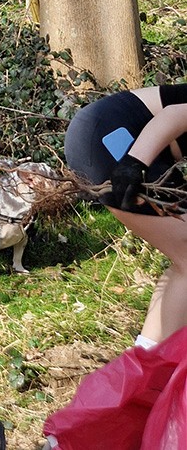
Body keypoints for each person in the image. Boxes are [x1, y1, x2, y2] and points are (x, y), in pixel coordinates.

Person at [65, 84, 187, 347]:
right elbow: (175, 115)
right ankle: (150, 371)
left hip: (119, 138)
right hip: (111, 135)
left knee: (184, 257)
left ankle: (147, 368)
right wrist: (134, 163)